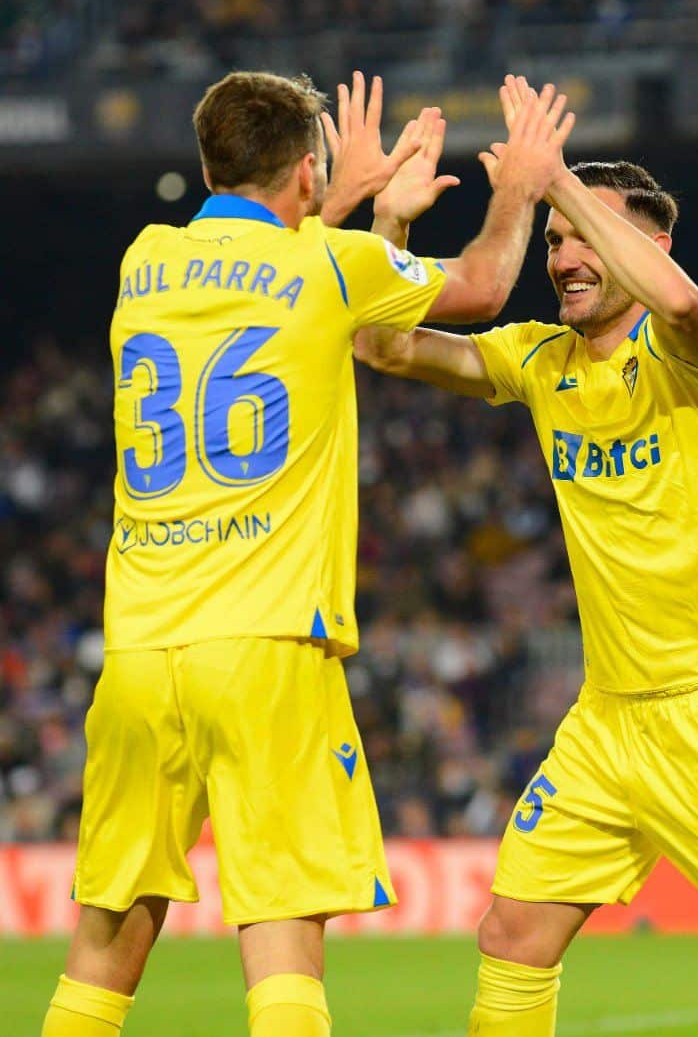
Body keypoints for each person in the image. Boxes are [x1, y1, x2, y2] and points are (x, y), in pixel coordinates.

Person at [41, 70, 574, 1037]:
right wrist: (521, 188)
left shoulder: (145, 259)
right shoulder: (330, 266)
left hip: (136, 652)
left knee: (107, 933)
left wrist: (339, 196)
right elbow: (485, 287)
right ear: (304, 168)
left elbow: (258, 262)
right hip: (267, 644)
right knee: (281, 926)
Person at [355, 75, 698, 1037]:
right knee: (511, 934)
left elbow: (680, 304)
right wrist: (389, 218)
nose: (563, 256)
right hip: (605, 723)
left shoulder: (694, 360)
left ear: (645, 242)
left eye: (581, 236)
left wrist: (557, 185)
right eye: (551, 242)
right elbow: (382, 348)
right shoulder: (539, 361)